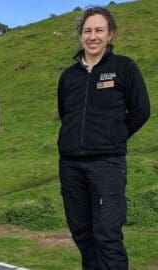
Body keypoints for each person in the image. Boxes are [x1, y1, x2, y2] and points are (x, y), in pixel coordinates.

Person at [57, 6, 150, 270]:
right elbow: (67, 114)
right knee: (82, 234)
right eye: (87, 30)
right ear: (80, 36)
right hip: (71, 165)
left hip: (107, 164)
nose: (92, 36)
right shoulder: (68, 76)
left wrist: (114, 135)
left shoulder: (124, 67)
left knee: (107, 236)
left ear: (110, 35)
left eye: (99, 30)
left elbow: (141, 110)